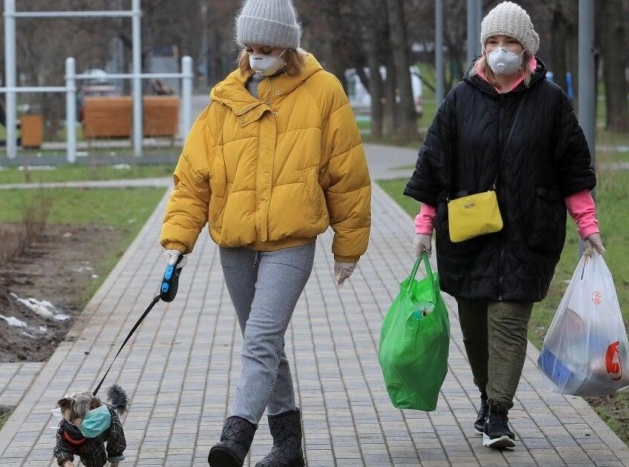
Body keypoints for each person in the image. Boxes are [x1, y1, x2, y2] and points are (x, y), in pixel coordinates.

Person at [159, 0, 371, 465]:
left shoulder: (323, 91)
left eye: (267, 47)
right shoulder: (224, 99)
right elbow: (193, 178)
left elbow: (347, 174)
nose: (257, 55)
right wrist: (177, 243)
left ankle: (235, 436)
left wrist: (349, 246)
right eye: (250, 47)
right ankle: (289, 446)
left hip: (291, 242)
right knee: (264, 343)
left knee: (259, 340)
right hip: (234, 244)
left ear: (288, 45)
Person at [404, 1, 605, 450]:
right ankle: (485, 395)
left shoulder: (551, 102)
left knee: (509, 323)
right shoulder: (460, 99)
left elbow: (573, 169)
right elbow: (433, 164)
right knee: (475, 329)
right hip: (469, 236)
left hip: (528, 233)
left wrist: (587, 225)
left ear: (526, 48)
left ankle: (498, 414)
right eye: (492, 42)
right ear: (483, 47)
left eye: (508, 42)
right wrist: (423, 226)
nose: (500, 51)